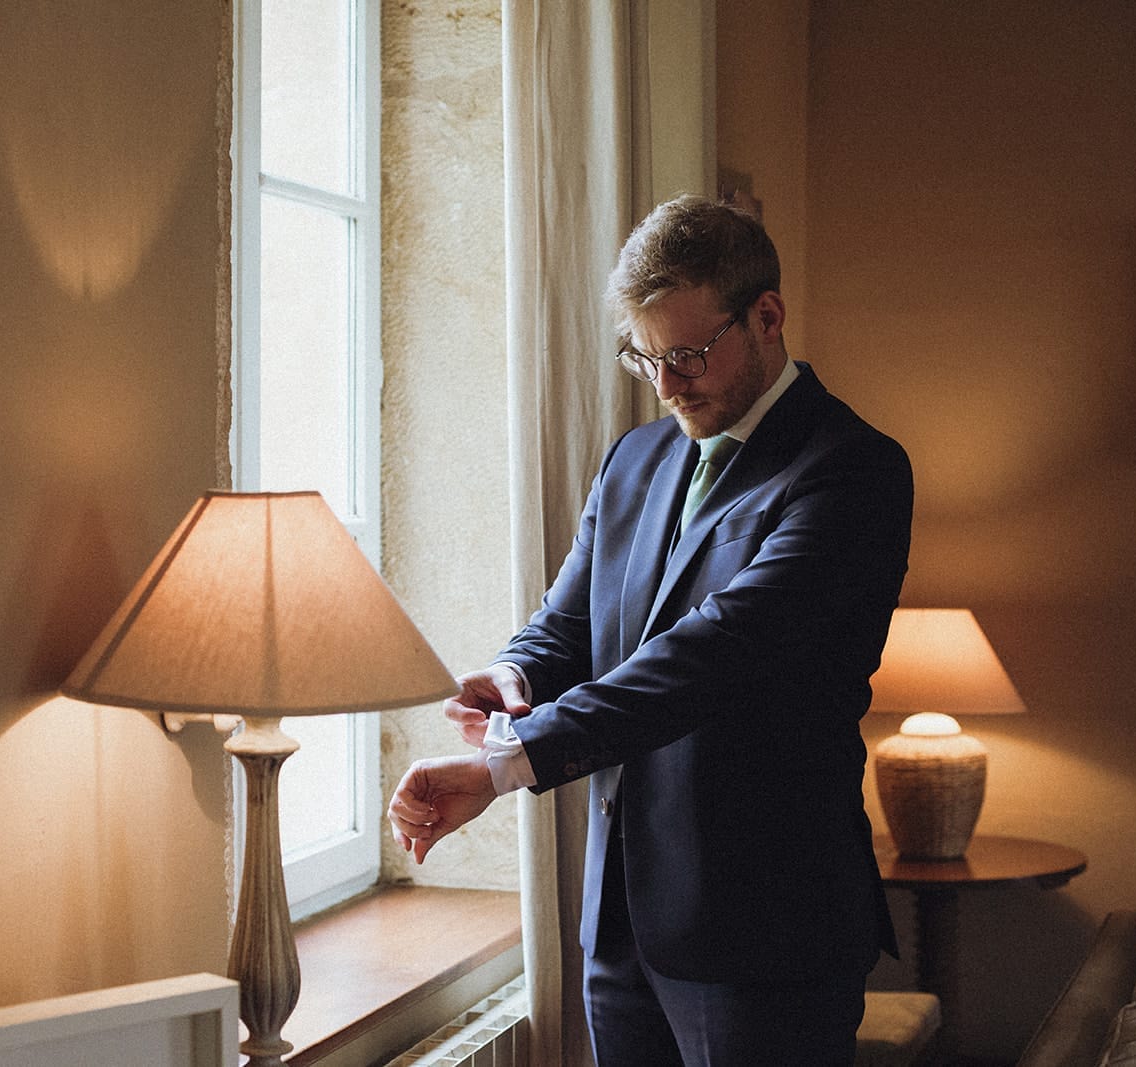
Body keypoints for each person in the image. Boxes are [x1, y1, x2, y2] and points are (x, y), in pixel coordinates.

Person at [386, 195, 912, 1065]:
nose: (667, 386)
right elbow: (570, 622)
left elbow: (710, 656)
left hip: (767, 934)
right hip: (622, 923)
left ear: (767, 316)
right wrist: (515, 674)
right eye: (646, 357)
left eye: (689, 354)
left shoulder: (851, 470)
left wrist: (507, 763)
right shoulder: (635, 459)